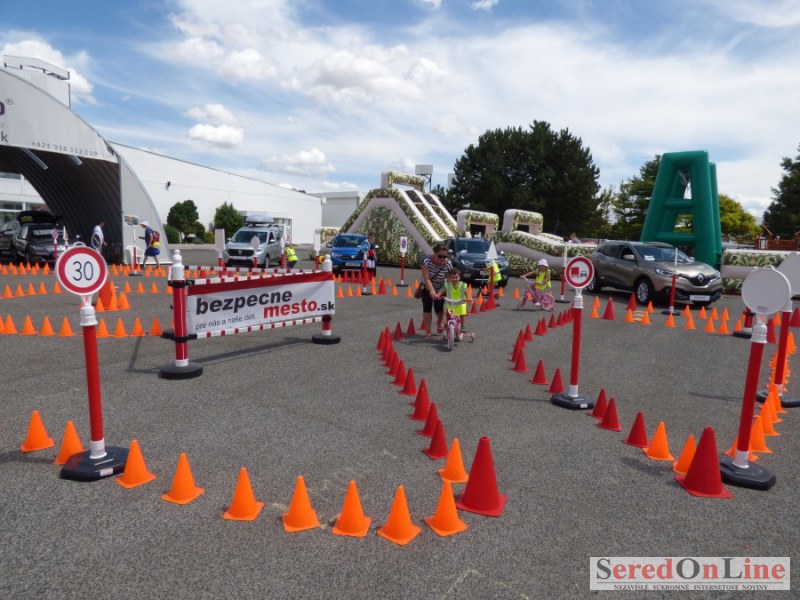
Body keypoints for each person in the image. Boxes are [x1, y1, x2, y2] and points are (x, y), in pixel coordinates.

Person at [419, 243, 452, 339]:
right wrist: (432, 291)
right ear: (434, 253)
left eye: (445, 257)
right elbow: (426, 279)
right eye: (440, 256)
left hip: (441, 287)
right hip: (427, 287)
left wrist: (439, 293)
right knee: (427, 308)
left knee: (439, 308)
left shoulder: (448, 264)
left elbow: (449, 282)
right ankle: (428, 331)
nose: (442, 259)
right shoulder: (426, 261)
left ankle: (440, 321)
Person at [443, 267, 473, 339]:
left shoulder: (463, 285)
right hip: (451, 303)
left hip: (460, 303)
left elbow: (467, 293)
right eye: (452, 277)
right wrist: (436, 295)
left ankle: (462, 326)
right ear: (449, 278)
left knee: (462, 315)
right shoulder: (447, 285)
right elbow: (441, 291)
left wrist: (469, 298)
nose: (454, 279)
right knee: (447, 313)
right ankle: (448, 324)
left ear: (459, 277)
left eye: (456, 277)